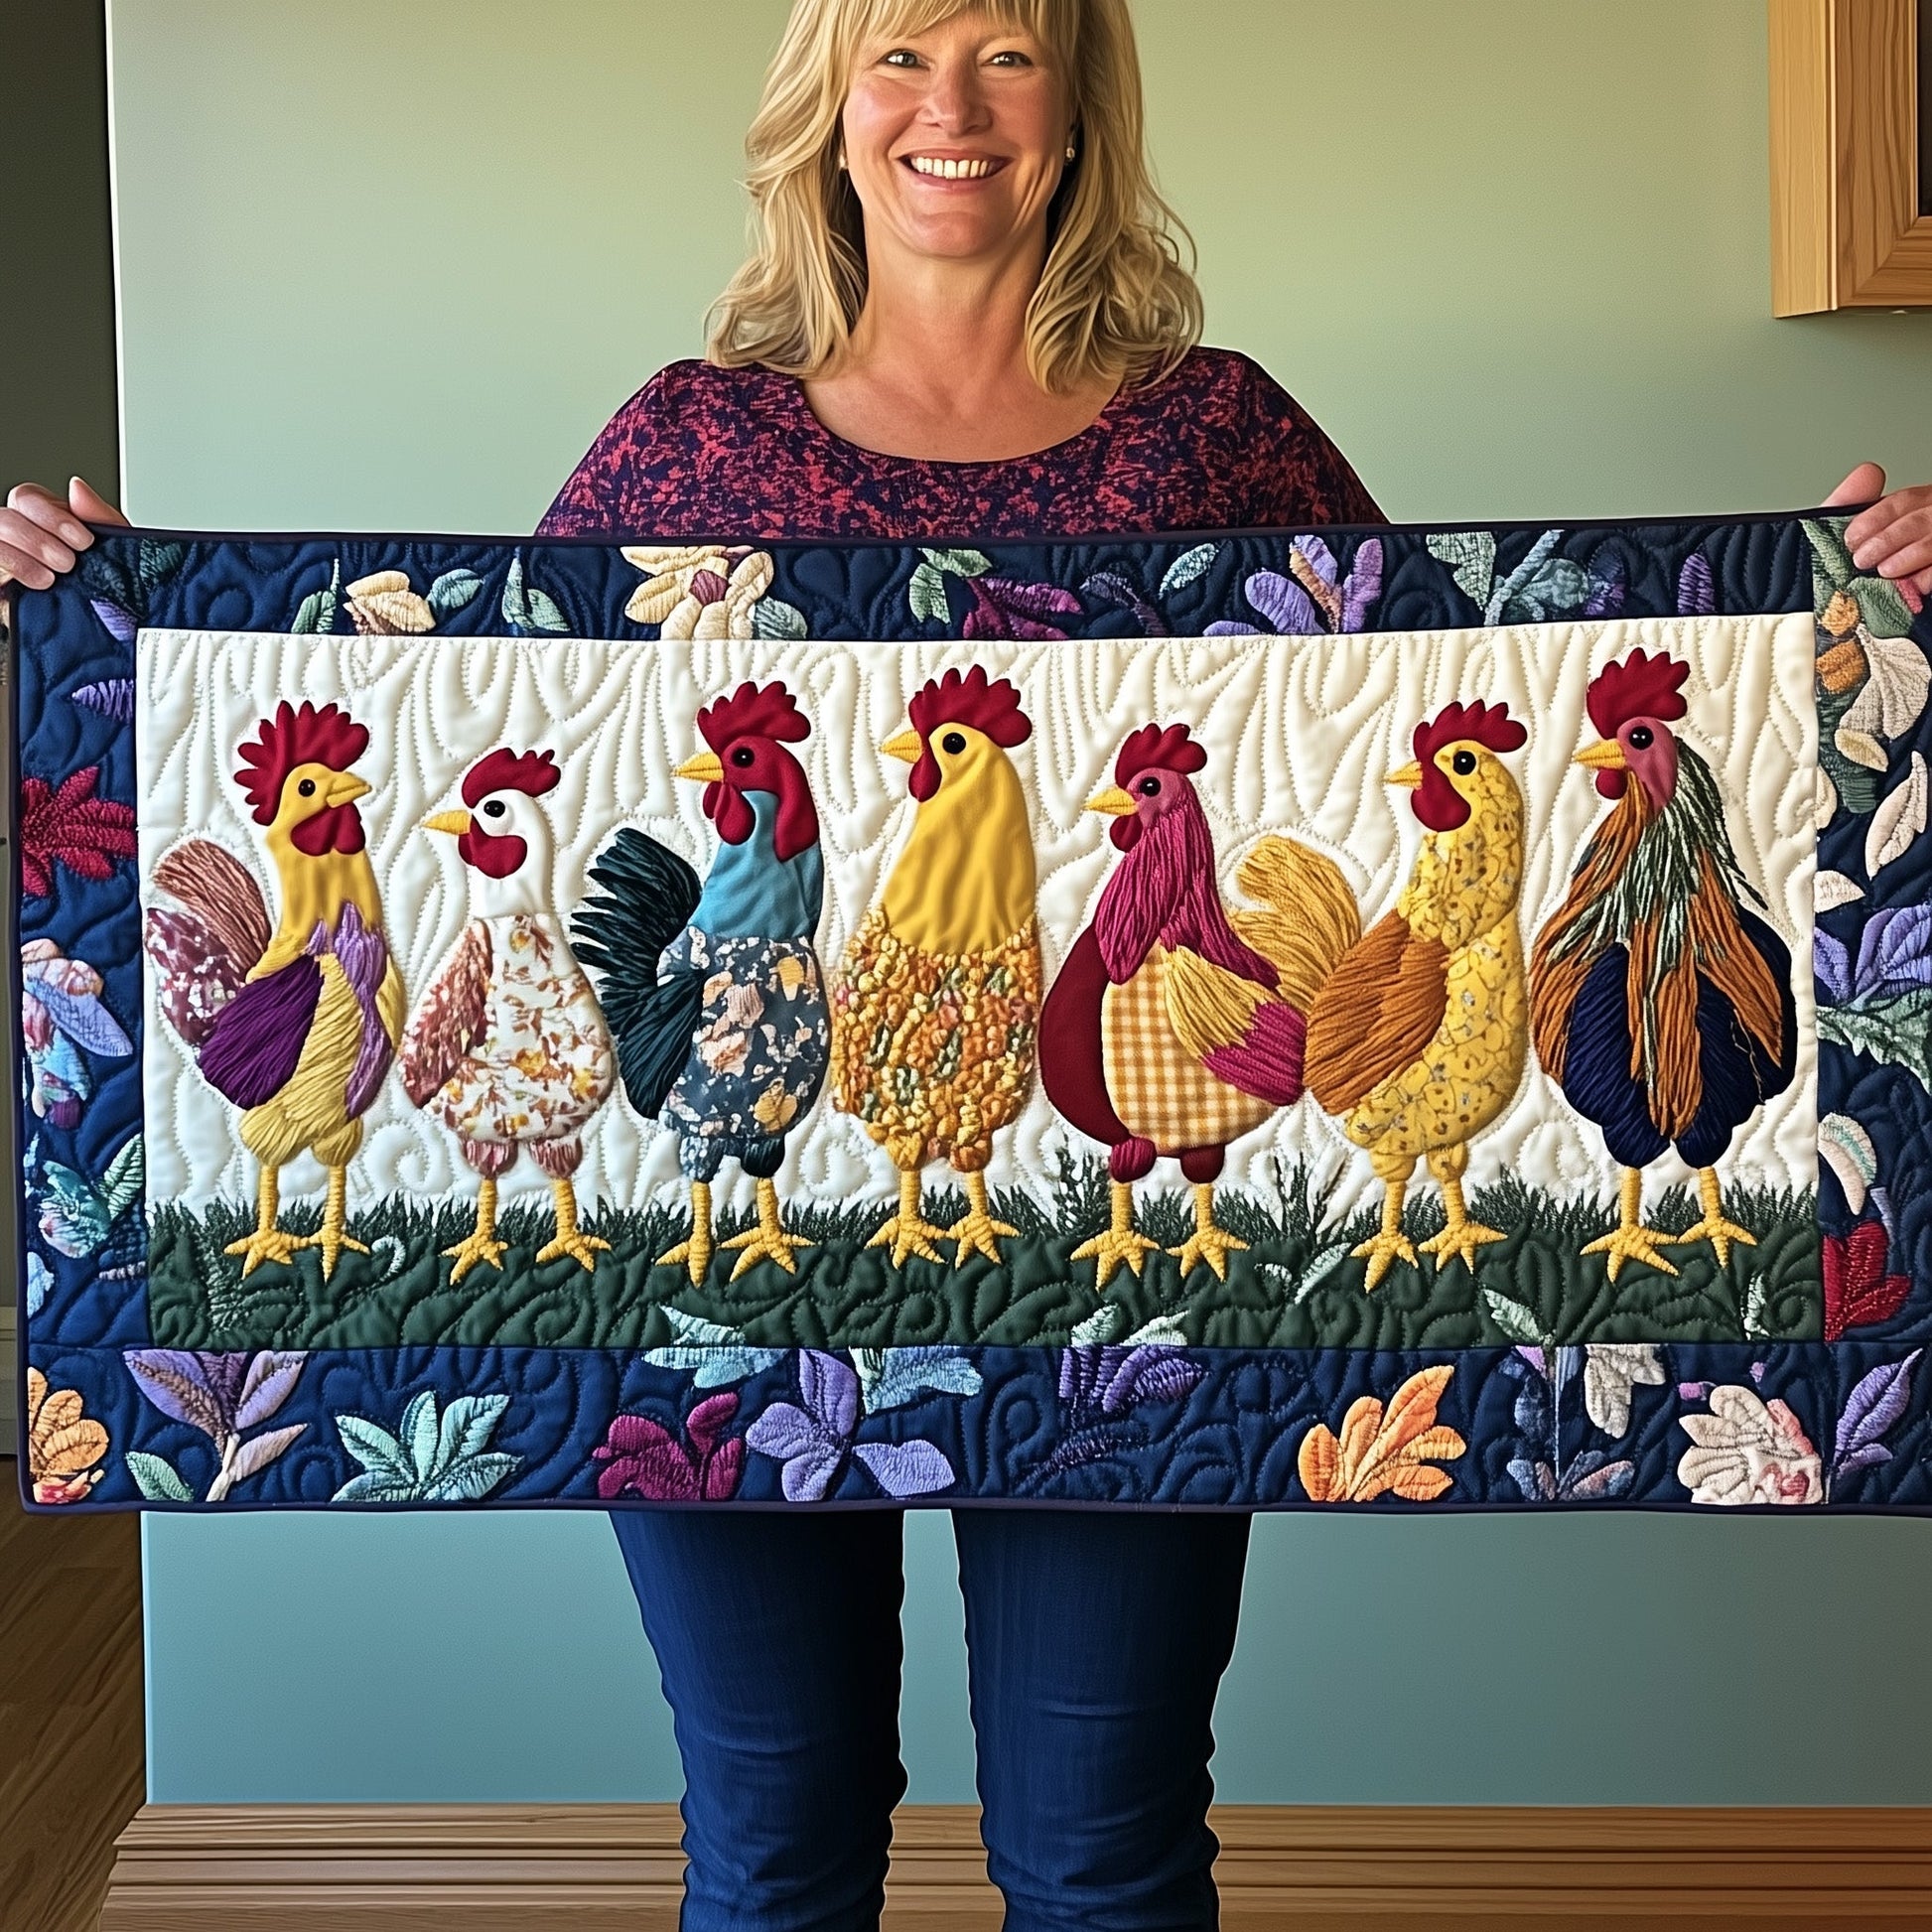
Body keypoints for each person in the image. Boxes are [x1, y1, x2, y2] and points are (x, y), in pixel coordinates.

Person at [5, 3, 1931, 1927]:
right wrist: (125, 624)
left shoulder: (1212, 429)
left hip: (1132, 1275)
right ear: (825, 108)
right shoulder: (688, 436)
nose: (950, 105)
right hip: (719, 1276)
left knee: (1102, 1839)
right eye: (899, 51)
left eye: (1006, 52)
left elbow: (1436, 674)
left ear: (1077, 108)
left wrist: (1853, 604)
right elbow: (487, 699)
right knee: (773, 1830)